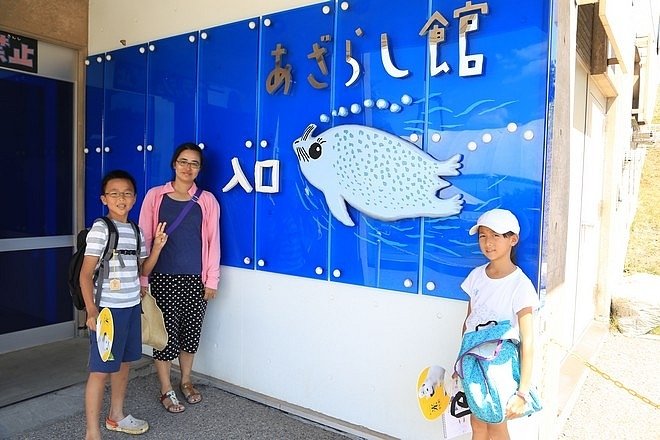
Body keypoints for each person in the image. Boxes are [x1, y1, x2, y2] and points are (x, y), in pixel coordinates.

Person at [80, 170, 168, 440]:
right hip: (107, 312)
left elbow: (143, 270)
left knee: (124, 365)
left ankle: (116, 416)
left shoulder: (136, 231)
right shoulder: (101, 229)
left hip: (131, 308)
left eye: (127, 193)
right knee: (100, 371)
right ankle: (92, 432)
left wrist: (156, 250)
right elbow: (85, 274)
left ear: (134, 198)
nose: (122, 198)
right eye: (115, 193)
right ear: (104, 198)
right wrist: (91, 310)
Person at [139, 142, 220, 414]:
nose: (188, 167)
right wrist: (142, 280)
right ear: (174, 164)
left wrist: (211, 280)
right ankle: (166, 388)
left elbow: (212, 241)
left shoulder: (207, 201)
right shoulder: (155, 196)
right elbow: (144, 239)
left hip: (194, 280)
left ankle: (186, 380)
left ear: (199, 169)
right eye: (183, 161)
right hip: (161, 279)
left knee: (190, 335)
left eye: (194, 163)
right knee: (164, 337)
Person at [458, 208, 539, 440]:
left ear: (513, 239)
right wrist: (460, 364)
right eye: (483, 235)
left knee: (496, 424)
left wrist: (522, 393)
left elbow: (529, 342)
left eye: (496, 235)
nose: (488, 242)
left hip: (500, 365)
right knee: (478, 423)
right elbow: (468, 325)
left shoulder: (520, 285)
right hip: (473, 363)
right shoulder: (475, 277)